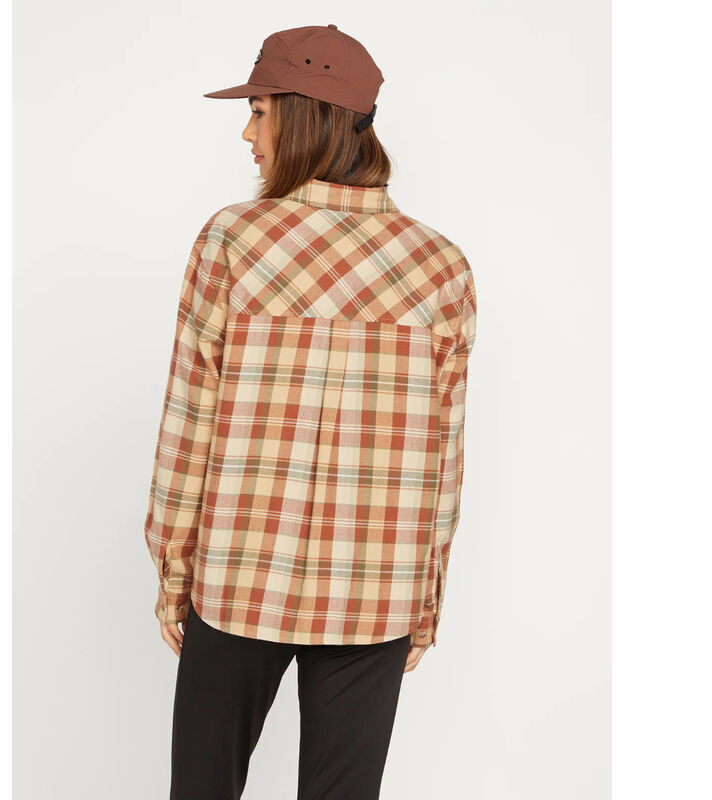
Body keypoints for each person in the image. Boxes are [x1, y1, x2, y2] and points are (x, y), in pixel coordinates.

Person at [143, 24, 478, 800]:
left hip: (238, 578)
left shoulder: (234, 240)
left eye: (259, 111)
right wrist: (424, 602)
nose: (247, 133)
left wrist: (173, 573)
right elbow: (444, 456)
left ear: (302, 116)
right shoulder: (442, 266)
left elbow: (189, 423)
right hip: (376, 592)